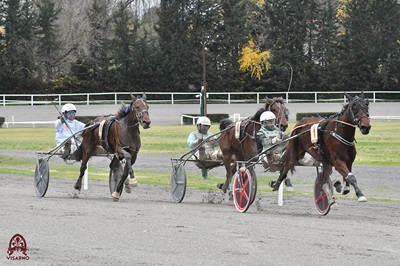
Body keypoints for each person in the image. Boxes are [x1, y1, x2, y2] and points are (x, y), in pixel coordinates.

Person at [256, 111, 294, 191]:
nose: (272, 123)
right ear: (263, 122)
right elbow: (264, 142)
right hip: (264, 154)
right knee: (274, 157)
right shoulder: (260, 133)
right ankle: (284, 180)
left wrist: (289, 138)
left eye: (273, 121)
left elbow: (287, 139)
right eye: (270, 121)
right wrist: (273, 140)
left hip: (278, 153)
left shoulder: (278, 131)